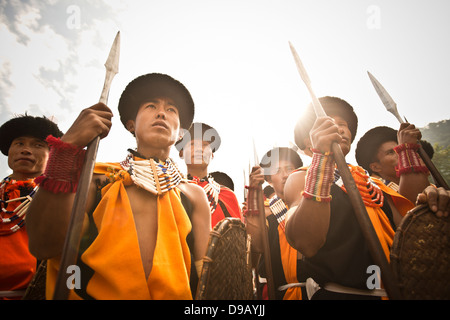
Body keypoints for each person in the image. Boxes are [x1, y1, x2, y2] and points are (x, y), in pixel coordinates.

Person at [26, 73, 211, 300]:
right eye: (151, 106)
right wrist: (66, 149)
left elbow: (206, 278)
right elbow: (44, 246)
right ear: (131, 124)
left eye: (171, 109)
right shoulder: (94, 179)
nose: (162, 112)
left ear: (180, 131)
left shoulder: (194, 195)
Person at [284, 96, 437, 299]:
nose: (340, 129)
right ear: (309, 139)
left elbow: (411, 228)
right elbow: (305, 242)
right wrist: (322, 158)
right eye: (330, 123)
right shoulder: (300, 178)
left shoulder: (371, 181)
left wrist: (435, 200)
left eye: (343, 124)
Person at [0, 114, 63, 300]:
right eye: (19, 143)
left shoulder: (60, 200)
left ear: (51, 155)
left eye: (38, 145)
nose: (26, 150)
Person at [245, 147, 304, 300]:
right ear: (269, 180)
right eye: (277, 170)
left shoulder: (313, 207)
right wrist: (253, 192)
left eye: (290, 168)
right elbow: (256, 247)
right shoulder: (267, 212)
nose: (285, 175)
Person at [176, 122, 243, 227]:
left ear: (212, 154)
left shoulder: (227, 196)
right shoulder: (173, 191)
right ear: (181, 153)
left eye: (204, 145)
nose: (199, 149)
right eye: (192, 144)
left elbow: (238, 237)